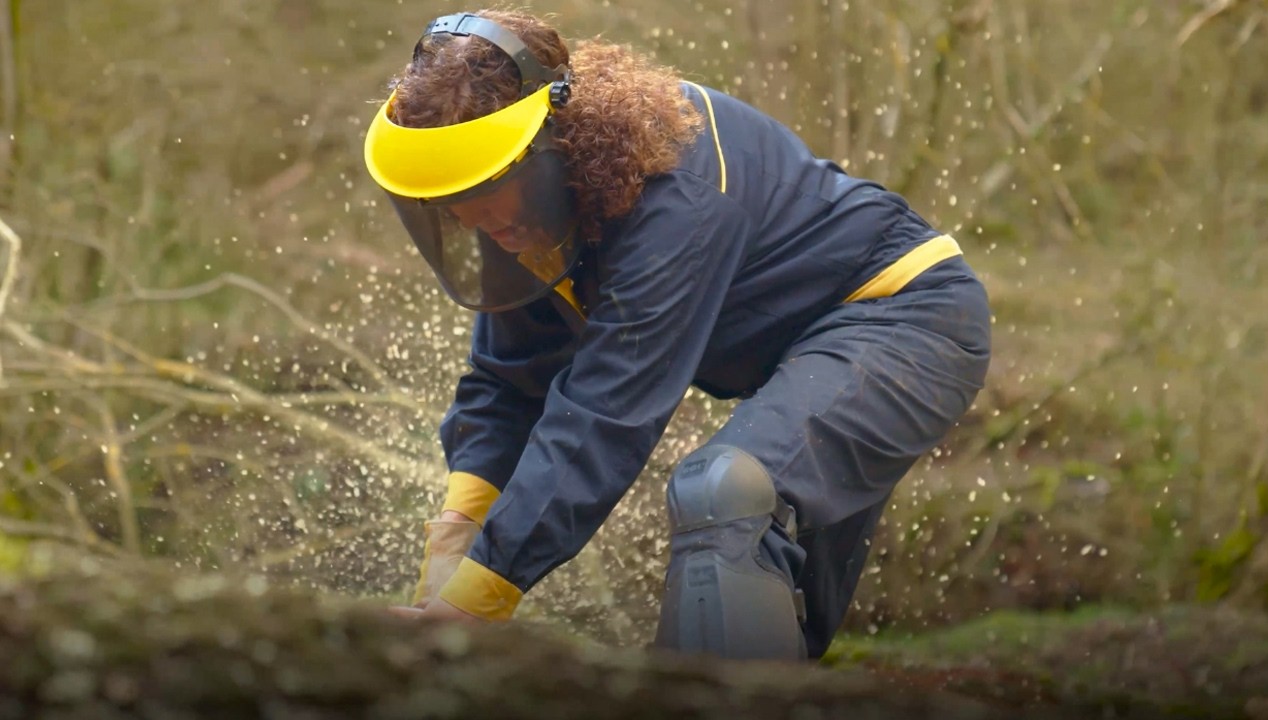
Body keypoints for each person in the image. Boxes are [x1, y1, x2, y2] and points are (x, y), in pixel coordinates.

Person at [364, 9, 990, 661]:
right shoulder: (524, 211)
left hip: (908, 315)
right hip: (802, 356)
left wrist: (476, 602)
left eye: (487, 186)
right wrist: (457, 542)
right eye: (450, 198)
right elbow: (509, 383)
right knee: (776, 617)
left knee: (726, 494)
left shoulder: (676, 196)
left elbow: (604, 413)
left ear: (551, 138)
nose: (472, 216)